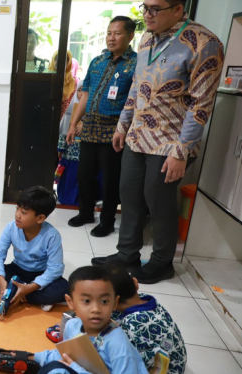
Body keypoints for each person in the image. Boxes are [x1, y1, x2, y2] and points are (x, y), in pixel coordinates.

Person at [92, 0, 224, 284]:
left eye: (155, 9)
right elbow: (137, 86)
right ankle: (127, 253)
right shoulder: (146, 39)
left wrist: (181, 151)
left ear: (177, 9)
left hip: (171, 142)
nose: (147, 15)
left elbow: (202, 104)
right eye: (145, 7)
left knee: (159, 201)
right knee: (128, 194)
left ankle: (162, 262)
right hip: (137, 135)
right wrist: (122, 124)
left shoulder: (204, 42)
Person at [66, 16, 138, 238]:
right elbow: (85, 94)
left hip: (113, 130)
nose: (111, 37)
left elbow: (134, 100)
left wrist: (124, 130)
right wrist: (73, 124)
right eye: (109, 33)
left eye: (117, 33)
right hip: (89, 128)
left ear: (130, 36)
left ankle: (107, 220)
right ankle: (86, 213)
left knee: (110, 179)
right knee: (84, 174)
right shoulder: (97, 61)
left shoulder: (136, 64)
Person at [31, 266, 148, 374]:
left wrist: (75, 368)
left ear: (115, 303)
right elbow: (65, 355)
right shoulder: (71, 325)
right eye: (87, 301)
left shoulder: (119, 346)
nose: (96, 309)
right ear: (70, 302)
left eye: (104, 301)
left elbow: (70, 363)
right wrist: (31, 357)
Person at [0, 186, 69, 312]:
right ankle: (26, 295)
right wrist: (1, 279)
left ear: (40, 218)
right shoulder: (11, 227)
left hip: (40, 273)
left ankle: (10, 293)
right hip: (17, 270)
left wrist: (32, 286)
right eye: (17, 209)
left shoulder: (52, 236)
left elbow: (55, 269)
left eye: (24, 212)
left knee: (64, 289)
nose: (17, 215)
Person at [107, 264, 187, 374]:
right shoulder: (146, 299)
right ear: (135, 283)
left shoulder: (132, 323)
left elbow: (127, 361)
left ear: (114, 302)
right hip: (177, 362)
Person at [56, 81, 84, 206]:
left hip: (84, 155)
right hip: (69, 155)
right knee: (68, 178)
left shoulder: (92, 114)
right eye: (79, 90)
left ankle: (79, 201)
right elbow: (62, 132)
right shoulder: (70, 112)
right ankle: (65, 199)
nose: (82, 94)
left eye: (85, 91)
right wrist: (60, 150)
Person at [48, 50, 76, 118]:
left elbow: (72, 103)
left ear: (68, 63)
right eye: (56, 59)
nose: (58, 61)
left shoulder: (71, 81)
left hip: (62, 119)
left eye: (63, 60)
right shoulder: (47, 77)